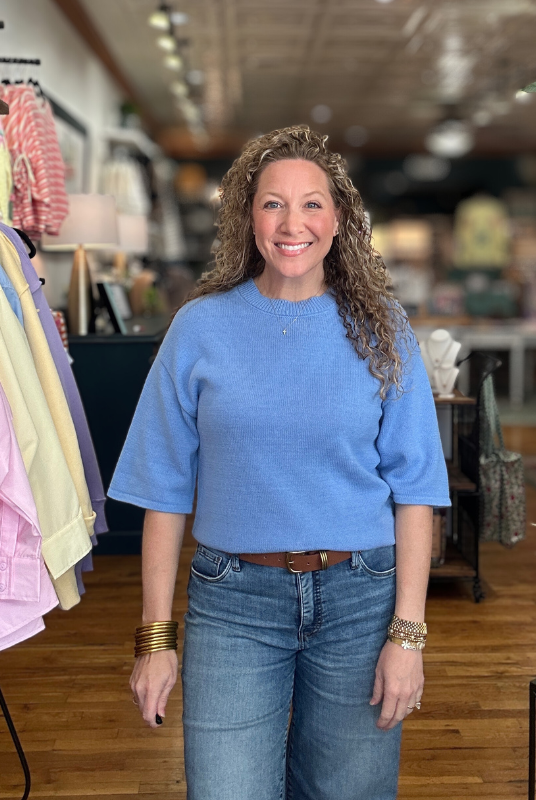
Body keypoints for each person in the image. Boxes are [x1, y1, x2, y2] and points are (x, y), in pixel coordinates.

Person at [108, 125, 451, 800]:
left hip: (362, 599)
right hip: (233, 601)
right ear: (247, 217)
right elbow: (164, 491)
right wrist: (154, 640)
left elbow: (416, 492)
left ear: (340, 218)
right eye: (272, 203)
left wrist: (408, 636)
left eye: (312, 203)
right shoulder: (199, 328)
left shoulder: (383, 327)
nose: (292, 223)